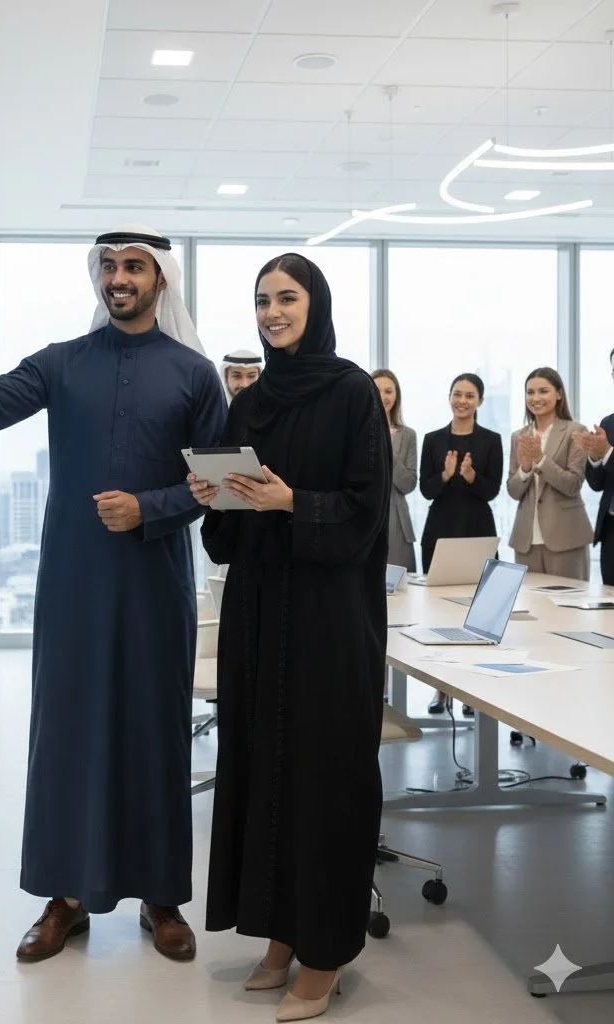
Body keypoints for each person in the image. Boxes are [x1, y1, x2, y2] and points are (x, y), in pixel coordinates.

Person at [0, 226, 226, 964]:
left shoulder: (194, 374)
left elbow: (216, 486)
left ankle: (161, 897)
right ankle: (63, 899)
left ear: (161, 280)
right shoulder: (60, 364)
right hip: (72, 584)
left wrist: (148, 508)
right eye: (109, 266)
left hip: (156, 584)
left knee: (155, 731)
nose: (119, 277)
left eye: (134, 266)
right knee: (65, 731)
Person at [190, 253, 390, 1022]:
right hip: (259, 612)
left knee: (323, 777)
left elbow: (365, 510)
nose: (272, 312)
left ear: (317, 303)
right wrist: (216, 498)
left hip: (328, 619)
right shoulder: (253, 402)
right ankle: (276, 932)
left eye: (287, 297)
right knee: (261, 767)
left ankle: (325, 952)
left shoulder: (349, 393)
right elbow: (225, 536)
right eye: (262, 300)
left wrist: (288, 501)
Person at [420, 373, 503, 716]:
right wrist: (445, 474)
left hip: (477, 528)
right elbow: (426, 490)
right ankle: (441, 691)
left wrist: (470, 477)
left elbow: (492, 490)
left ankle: (472, 693)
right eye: (457, 394)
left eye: (470, 395)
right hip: (440, 528)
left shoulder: (491, 440)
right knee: (441, 613)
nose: (462, 400)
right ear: (449, 397)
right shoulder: (434, 439)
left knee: (476, 614)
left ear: (480, 401)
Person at [507, 368, 592, 580]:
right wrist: (525, 468)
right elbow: (513, 490)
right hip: (526, 540)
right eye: (530, 392)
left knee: (567, 607)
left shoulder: (576, 431)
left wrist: (541, 459)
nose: (535, 398)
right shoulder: (519, 436)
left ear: (559, 394)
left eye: (543, 391)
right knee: (534, 609)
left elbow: (572, 484)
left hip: (566, 537)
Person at [575, 346, 614, 586]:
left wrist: (607, 453)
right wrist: (594, 457)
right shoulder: (609, 422)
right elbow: (597, 484)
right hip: (611, 532)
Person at [372, 369, 417, 573]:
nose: (383, 396)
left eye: (389, 391)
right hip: (366, 517)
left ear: (396, 395)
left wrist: (388, 449)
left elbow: (408, 484)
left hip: (398, 523)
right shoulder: (354, 431)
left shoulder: (408, 435)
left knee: (402, 593)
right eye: (377, 390)